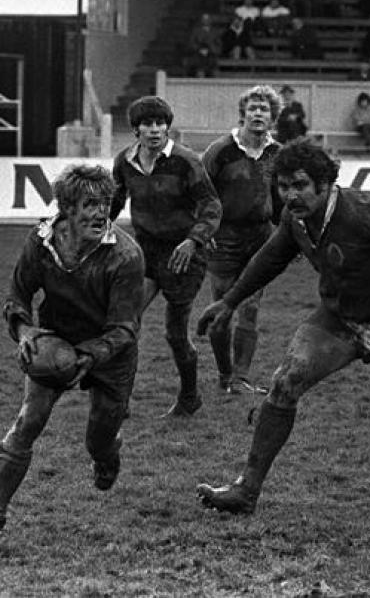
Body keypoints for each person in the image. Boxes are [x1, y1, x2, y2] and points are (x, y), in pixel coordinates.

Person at [194, 138, 370, 514]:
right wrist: (229, 301)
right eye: (284, 186)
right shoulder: (296, 218)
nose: (291, 196)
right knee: (285, 381)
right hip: (338, 318)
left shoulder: (362, 211)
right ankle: (247, 491)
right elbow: (273, 254)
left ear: (325, 184)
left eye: (301, 186)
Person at [0, 164, 145, 531]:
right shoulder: (42, 240)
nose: (101, 213)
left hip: (110, 355)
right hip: (57, 339)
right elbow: (18, 292)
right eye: (90, 204)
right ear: (67, 207)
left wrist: (89, 355)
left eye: (106, 203)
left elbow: (125, 328)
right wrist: (25, 330)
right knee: (26, 423)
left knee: (98, 440)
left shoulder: (126, 256)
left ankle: (107, 457)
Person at [110, 96, 222, 418]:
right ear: (136, 130)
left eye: (161, 123)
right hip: (145, 252)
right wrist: (98, 228)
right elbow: (114, 202)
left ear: (168, 127)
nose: (155, 130)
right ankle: (121, 401)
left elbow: (212, 206)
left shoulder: (186, 161)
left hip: (183, 255)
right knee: (126, 320)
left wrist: (194, 240)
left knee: (174, 334)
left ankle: (189, 396)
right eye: (148, 124)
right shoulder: (124, 162)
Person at [201, 85, 283, 396]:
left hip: (260, 240)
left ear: (272, 117)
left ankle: (240, 378)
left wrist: (291, 235)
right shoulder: (220, 150)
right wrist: (203, 230)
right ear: (243, 114)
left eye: (264, 109)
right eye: (253, 109)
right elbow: (200, 192)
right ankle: (224, 374)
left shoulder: (278, 154)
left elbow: (283, 199)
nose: (258, 114)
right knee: (222, 309)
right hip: (223, 239)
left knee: (250, 307)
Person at [185, 13, 220, 78]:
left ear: (210, 20)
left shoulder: (215, 31)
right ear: (201, 20)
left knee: (214, 68)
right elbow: (191, 43)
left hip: (211, 54)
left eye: (207, 19)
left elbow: (218, 44)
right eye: (204, 19)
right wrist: (199, 49)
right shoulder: (195, 31)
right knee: (199, 67)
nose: (205, 21)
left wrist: (211, 50)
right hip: (198, 54)